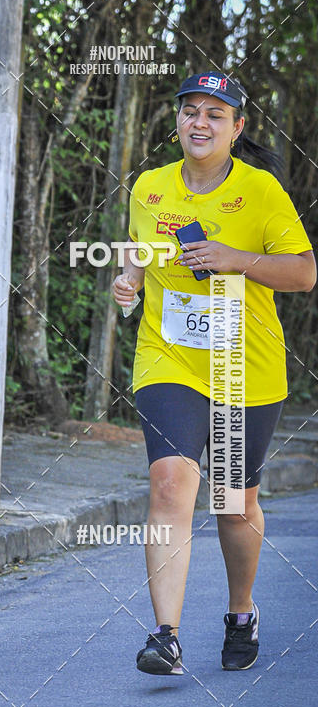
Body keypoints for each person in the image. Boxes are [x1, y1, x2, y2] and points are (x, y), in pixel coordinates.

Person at [112, 73, 316, 675]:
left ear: (237, 127)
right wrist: (130, 280)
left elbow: (304, 273)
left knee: (232, 503)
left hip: (240, 365)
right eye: (191, 111)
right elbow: (138, 250)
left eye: (215, 114)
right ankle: (165, 635)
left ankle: (241, 609)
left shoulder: (261, 192)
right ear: (177, 121)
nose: (200, 123)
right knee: (172, 484)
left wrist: (236, 261)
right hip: (167, 356)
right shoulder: (149, 187)